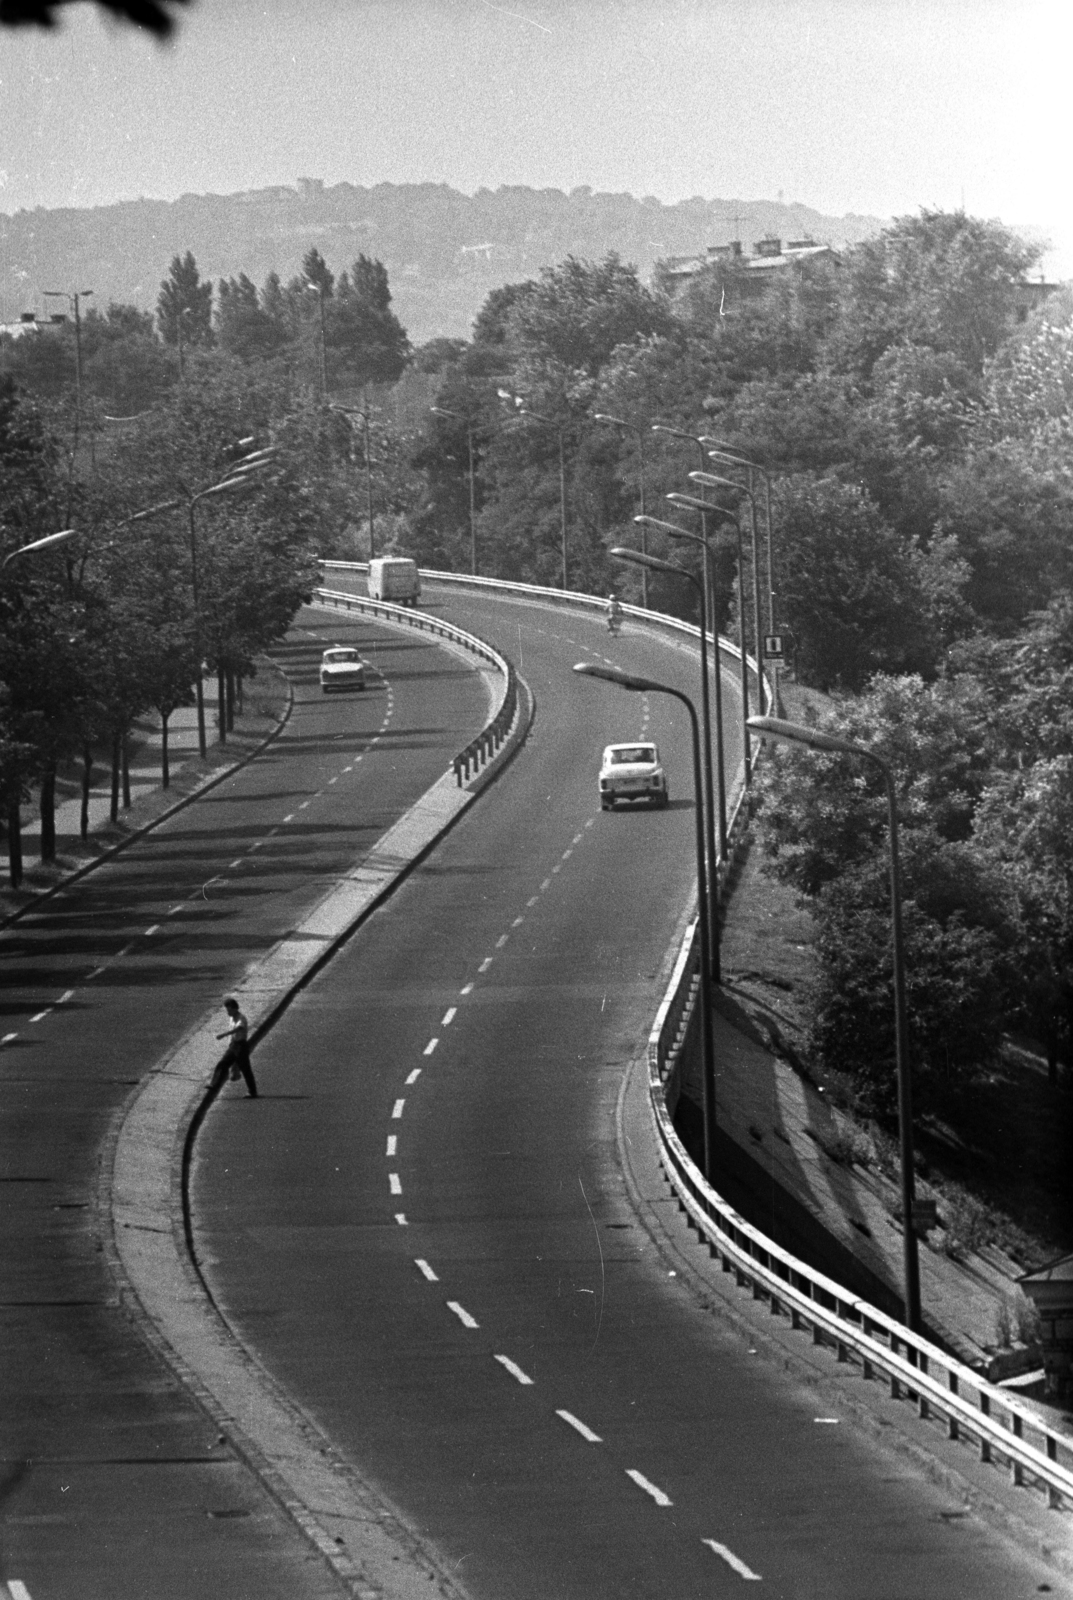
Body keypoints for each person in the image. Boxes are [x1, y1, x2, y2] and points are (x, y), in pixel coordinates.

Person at [211, 997, 258, 1097]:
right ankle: (213, 1084)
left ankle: (252, 1091)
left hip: (241, 1046)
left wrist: (224, 1034)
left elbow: (239, 1028)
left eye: (229, 1010)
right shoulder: (231, 1018)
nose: (227, 1012)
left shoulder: (241, 1018)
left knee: (245, 1069)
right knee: (223, 1063)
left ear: (234, 1009)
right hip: (233, 1045)